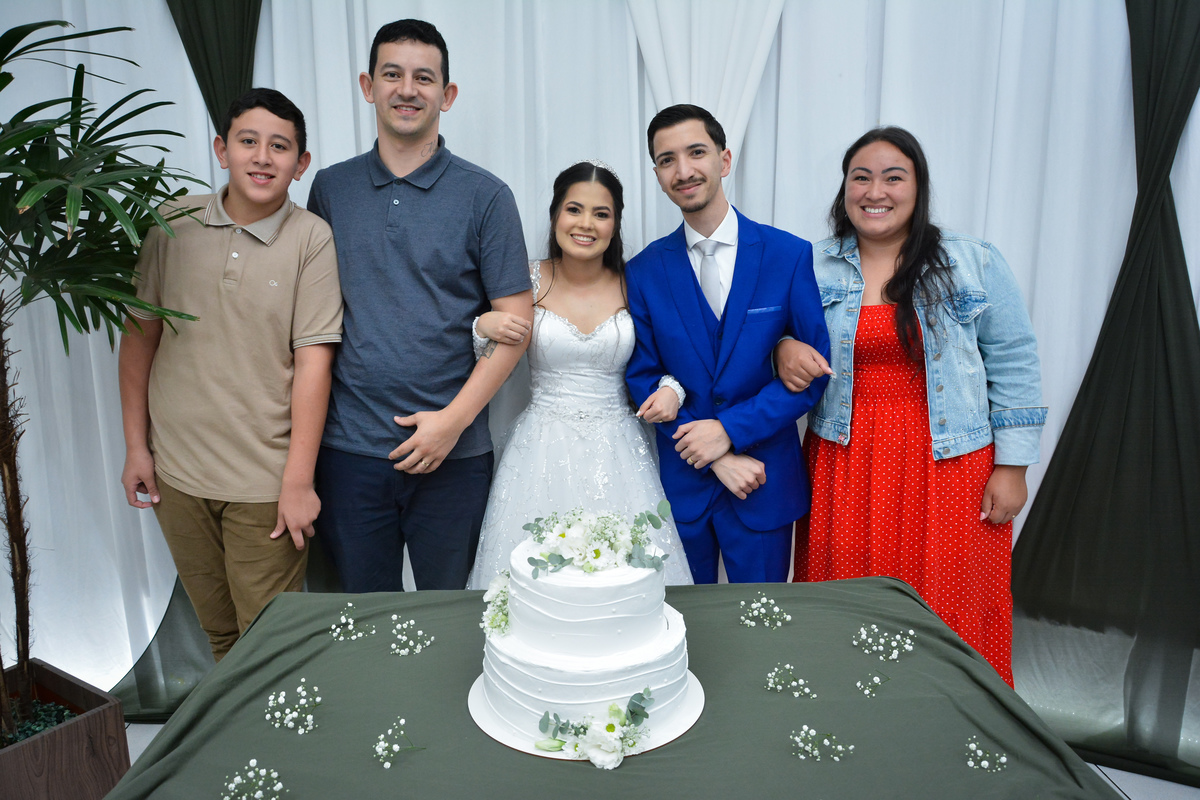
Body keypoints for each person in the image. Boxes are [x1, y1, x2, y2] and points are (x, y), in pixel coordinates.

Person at [777, 126, 1046, 687]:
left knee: (950, 604)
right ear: (845, 190)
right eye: (861, 178)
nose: (875, 191)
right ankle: (850, 718)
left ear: (918, 187)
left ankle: (955, 720)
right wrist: (782, 348)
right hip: (845, 460)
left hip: (950, 465)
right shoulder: (809, 264)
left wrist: (1014, 466)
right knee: (845, 604)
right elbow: (769, 338)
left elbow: (1015, 360)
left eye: (893, 177)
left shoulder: (971, 261)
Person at [306, 20, 533, 592]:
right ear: (368, 86)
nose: (407, 89)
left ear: (446, 95)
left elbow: (517, 327)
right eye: (392, 74)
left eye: (424, 78)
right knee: (363, 617)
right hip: (349, 449)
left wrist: (451, 424)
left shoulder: (486, 196)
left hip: (454, 454)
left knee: (453, 616)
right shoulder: (331, 189)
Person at [119, 88, 342, 660]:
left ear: (301, 163)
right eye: (248, 141)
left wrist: (298, 482)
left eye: (280, 146)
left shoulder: (311, 239)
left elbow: (314, 364)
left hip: (263, 484)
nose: (262, 157)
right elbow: (139, 339)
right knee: (220, 637)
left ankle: (275, 726)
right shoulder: (173, 222)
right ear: (222, 150)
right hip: (177, 475)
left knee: (268, 648)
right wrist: (136, 447)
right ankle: (237, 726)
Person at [624, 104, 830, 584]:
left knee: (762, 619)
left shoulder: (787, 254)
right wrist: (715, 453)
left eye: (696, 152)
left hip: (762, 480)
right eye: (667, 160)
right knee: (680, 620)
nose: (684, 170)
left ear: (724, 158)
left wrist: (730, 430)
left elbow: (812, 374)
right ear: (657, 175)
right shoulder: (643, 271)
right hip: (684, 485)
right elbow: (642, 376)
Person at [467, 161, 693, 589]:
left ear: (615, 223)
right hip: (540, 447)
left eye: (600, 213)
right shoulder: (525, 279)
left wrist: (672, 390)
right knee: (533, 575)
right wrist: (482, 326)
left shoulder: (634, 282)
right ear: (555, 214)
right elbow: (491, 359)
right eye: (574, 209)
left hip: (620, 449)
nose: (585, 224)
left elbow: (676, 360)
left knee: (625, 573)